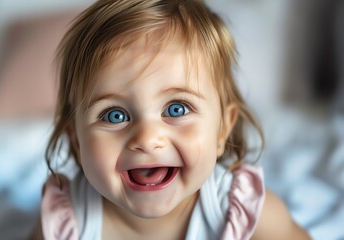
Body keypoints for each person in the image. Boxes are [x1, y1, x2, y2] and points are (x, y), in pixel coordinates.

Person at [32, 0, 311, 239]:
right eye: (115, 115)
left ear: (222, 128)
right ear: (76, 141)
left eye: (176, 109)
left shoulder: (244, 211)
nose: (147, 139)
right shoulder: (65, 222)